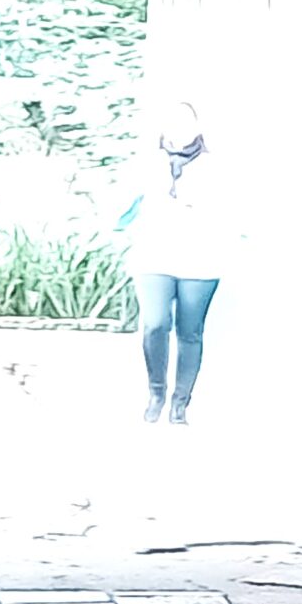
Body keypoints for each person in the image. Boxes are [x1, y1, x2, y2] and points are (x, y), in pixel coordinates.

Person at [123, 101, 228, 425]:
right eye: (173, 123)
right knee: (154, 324)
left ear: (197, 128)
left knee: (190, 331)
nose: (179, 129)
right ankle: (156, 392)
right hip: (154, 253)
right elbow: (127, 202)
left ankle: (180, 403)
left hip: (201, 256)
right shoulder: (147, 161)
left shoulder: (214, 165)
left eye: (186, 123)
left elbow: (229, 210)